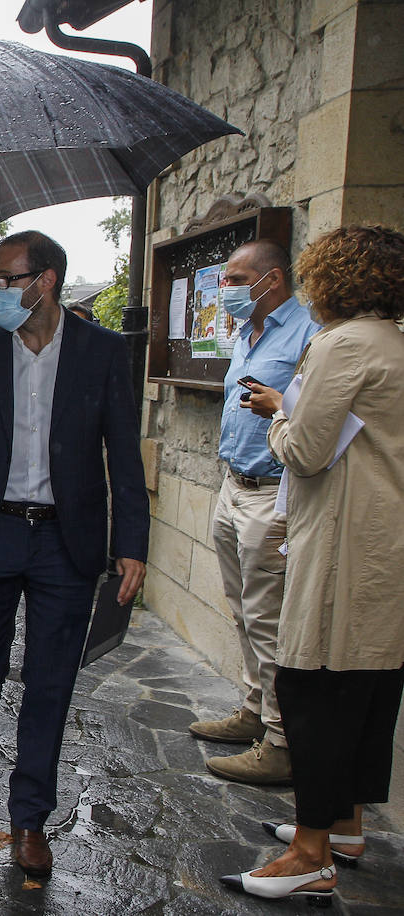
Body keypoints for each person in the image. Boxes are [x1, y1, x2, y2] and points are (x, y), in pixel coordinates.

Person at [0, 231, 149, 880]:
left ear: (46, 282)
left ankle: (29, 817)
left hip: (67, 541)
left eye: (5, 280)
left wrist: (131, 543)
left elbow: (123, 450)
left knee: (50, 686)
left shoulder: (105, 353)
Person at [218, 225, 404, 905]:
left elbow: (306, 449)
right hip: (385, 547)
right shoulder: (395, 340)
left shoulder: (344, 344)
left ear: (334, 278)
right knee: (370, 690)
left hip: (343, 546)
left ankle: (309, 852)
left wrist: (275, 413)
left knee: (312, 690)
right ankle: (346, 825)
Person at [188, 239, 318, 786]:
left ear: (274, 279)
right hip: (233, 484)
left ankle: (281, 740)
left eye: (238, 280)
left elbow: (324, 414)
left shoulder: (310, 334)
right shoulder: (248, 332)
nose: (228, 290)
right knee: (243, 609)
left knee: (269, 618)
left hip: (274, 491)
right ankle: (254, 710)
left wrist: (281, 404)